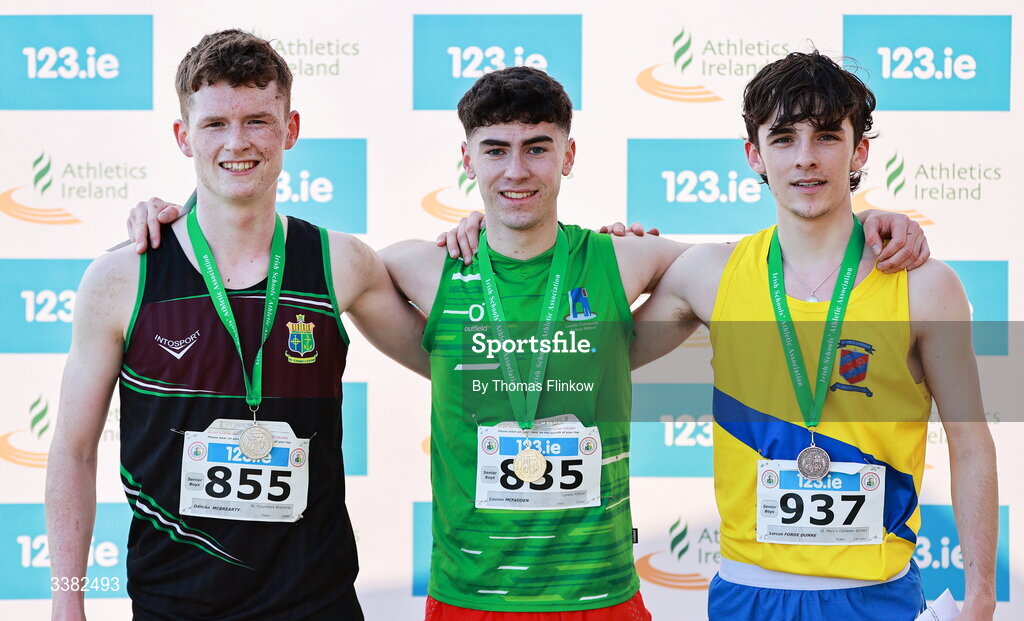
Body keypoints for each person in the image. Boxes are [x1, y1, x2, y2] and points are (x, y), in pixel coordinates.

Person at [126, 66, 927, 619]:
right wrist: (174, 217)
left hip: (602, 593)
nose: (517, 170)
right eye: (496, 149)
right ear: (466, 159)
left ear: (568, 156)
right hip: (469, 595)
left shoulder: (629, 260)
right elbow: (268, 250)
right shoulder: (415, 266)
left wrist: (873, 223)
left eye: (538, 147)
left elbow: (779, 258)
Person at [45, 30, 427, 621]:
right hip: (174, 605)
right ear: (183, 136)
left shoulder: (340, 262)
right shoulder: (122, 277)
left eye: (257, 121)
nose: (237, 142)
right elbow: (72, 451)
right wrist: (66, 599)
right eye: (215, 124)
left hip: (317, 603)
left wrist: (490, 239)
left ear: (290, 129)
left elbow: (448, 362)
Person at [629, 51, 997, 620]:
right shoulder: (710, 274)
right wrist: (597, 256)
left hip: (876, 596)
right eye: (783, 138)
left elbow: (971, 445)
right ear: (754, 155)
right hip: (749, 594)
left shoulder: (925, 287)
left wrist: (981, 596)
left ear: (859, 151)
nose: (805, 158)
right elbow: (589, 357)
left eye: (826, 136)